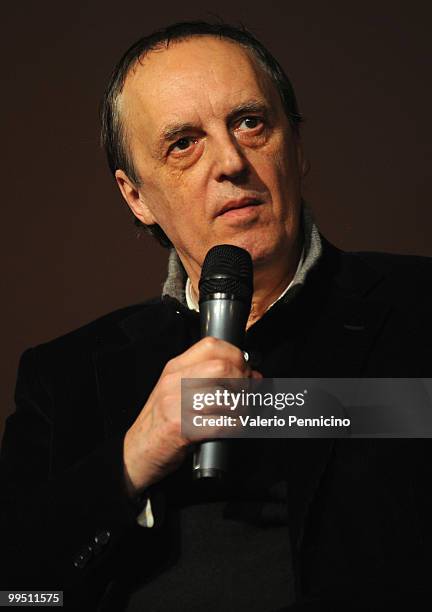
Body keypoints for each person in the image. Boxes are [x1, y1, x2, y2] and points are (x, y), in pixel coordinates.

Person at [1, 21, 432, 611]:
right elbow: (20, 592)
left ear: (296, 148)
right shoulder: (63, 377)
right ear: (137, 197)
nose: (231, 161)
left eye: (250, 123)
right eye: (184, 143)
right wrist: (136, 454)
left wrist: (297, 409)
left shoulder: (418, 308)